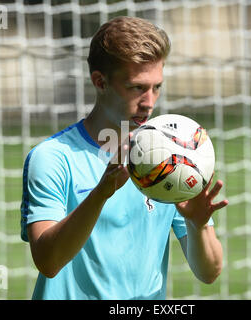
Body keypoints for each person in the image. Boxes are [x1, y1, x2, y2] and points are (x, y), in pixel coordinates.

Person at [20, 16, 228, 300]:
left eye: (157, 87)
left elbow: (209, 273)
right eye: (137, 87)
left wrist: (199, 223)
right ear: (100, 82)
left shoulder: (170, 160)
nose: (150, 102)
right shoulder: (53, 158)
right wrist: (101, 192)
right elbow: (48, 262)